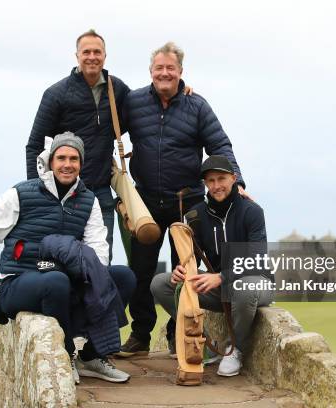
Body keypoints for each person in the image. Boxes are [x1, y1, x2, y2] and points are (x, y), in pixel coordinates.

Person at [117, 42, 248, 357]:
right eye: (159, 68)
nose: (165, 73)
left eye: (170, 68)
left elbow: (219, 144)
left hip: (186, 203)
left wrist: (238, 182)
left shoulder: (197, 106)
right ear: (151, 72)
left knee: (184, 270)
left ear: (180, 72)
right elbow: (105, 126)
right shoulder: (132, 102)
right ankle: (140, 334)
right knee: (140, 271)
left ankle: (179, 331)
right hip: (144, 201)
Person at [0, 132, 135, 383]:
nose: (67, 164)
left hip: (65, 281)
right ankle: (66, 353)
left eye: (74, 158)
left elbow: (97, 248)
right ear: (51, 161)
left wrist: (95, 282)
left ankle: (92, 356)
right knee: (56, 281)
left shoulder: (88, 199)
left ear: (81, 164)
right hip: (18, 280)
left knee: (123, 277)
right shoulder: (19, 193)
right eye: (61, 157)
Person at [150, 155, 272, 376]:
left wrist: (221, 277)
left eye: (221, 179)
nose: (216, 186)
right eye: (210, 181)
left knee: (244, 288)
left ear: (234, 178)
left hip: (256, 282)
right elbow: (190, 260)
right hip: (220, 287)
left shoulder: (252, 211)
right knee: (161, 284)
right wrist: (181, 270)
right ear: (205, 184)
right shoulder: (195, 215)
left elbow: (257, 259)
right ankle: (204, 344)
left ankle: (235, 350)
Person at [25, 29, 130, 262]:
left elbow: (146, 109)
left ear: (105, 56)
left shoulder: (117, 89)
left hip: (101, 192)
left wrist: (181, 92)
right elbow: (34, 145)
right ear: (76, 56)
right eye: (86, 52)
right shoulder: (56, 94)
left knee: (100, 263)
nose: (92, 57)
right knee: (60, 260)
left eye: (97, 52)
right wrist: (37, 191)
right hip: (64, 193)